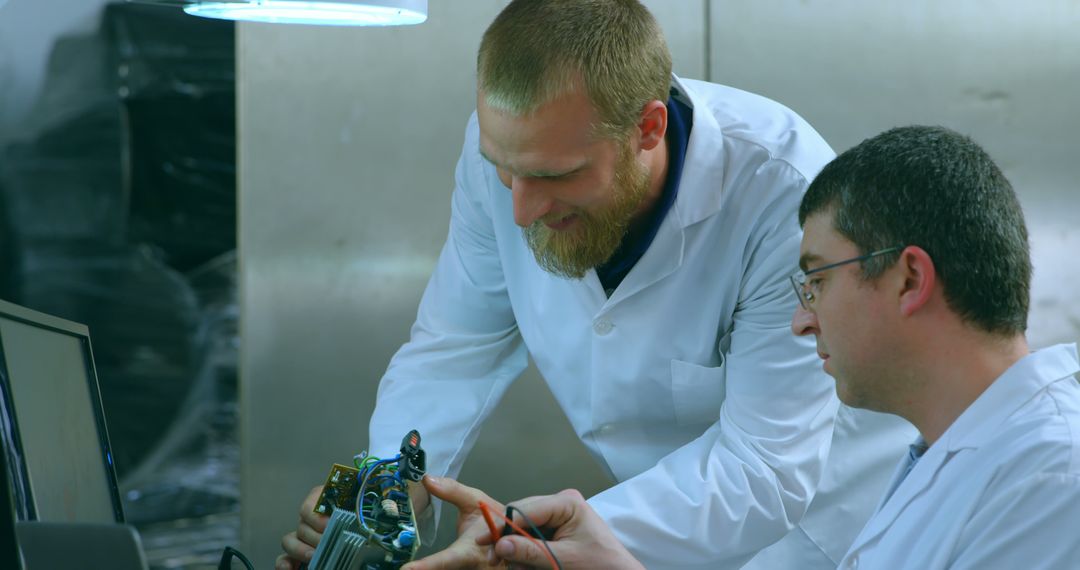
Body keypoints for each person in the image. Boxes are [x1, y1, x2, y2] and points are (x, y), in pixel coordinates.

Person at [276, 1, 913, 569]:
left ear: (648, 129)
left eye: (558, 175)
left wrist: (521, 536)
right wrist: (388, 491)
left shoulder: (784, 197)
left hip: (826, 535)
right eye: (505, 171)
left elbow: (763, 469)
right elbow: (456, 346)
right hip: (642, 526)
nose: (521, 211)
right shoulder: (510, 150)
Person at [427, 125, 1080, 569]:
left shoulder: (1053, 479)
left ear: (909, 278)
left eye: (817, 280)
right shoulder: (964, 457)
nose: (801, 321)